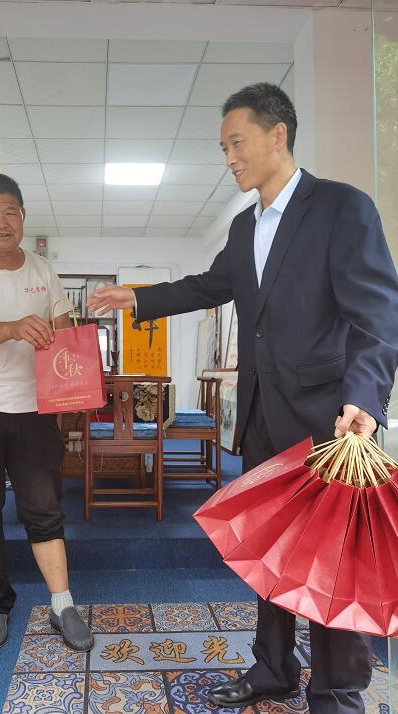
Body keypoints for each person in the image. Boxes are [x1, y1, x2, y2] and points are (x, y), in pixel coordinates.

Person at [87, 83, 398, 713]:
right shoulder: (243, 225)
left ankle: (338, 692)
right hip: (260, 416)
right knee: (271, 553)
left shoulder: (341, 208)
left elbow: (377, 314)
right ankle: (274, 668)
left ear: (277, 134)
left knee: (330, 561)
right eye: (223, 147)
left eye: (237, 142)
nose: (229, 158)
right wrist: (138, 298)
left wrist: (365, 397)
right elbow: (209, 285)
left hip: (331, 421)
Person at [0, 172, 94, 652]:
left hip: (34, 410)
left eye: (11, 212)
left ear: (23, 217)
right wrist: (10, 328)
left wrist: (75, 382)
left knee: (44, 507)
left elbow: (64, 335)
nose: (1, 222)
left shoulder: (43, 271)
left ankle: (62, 604)